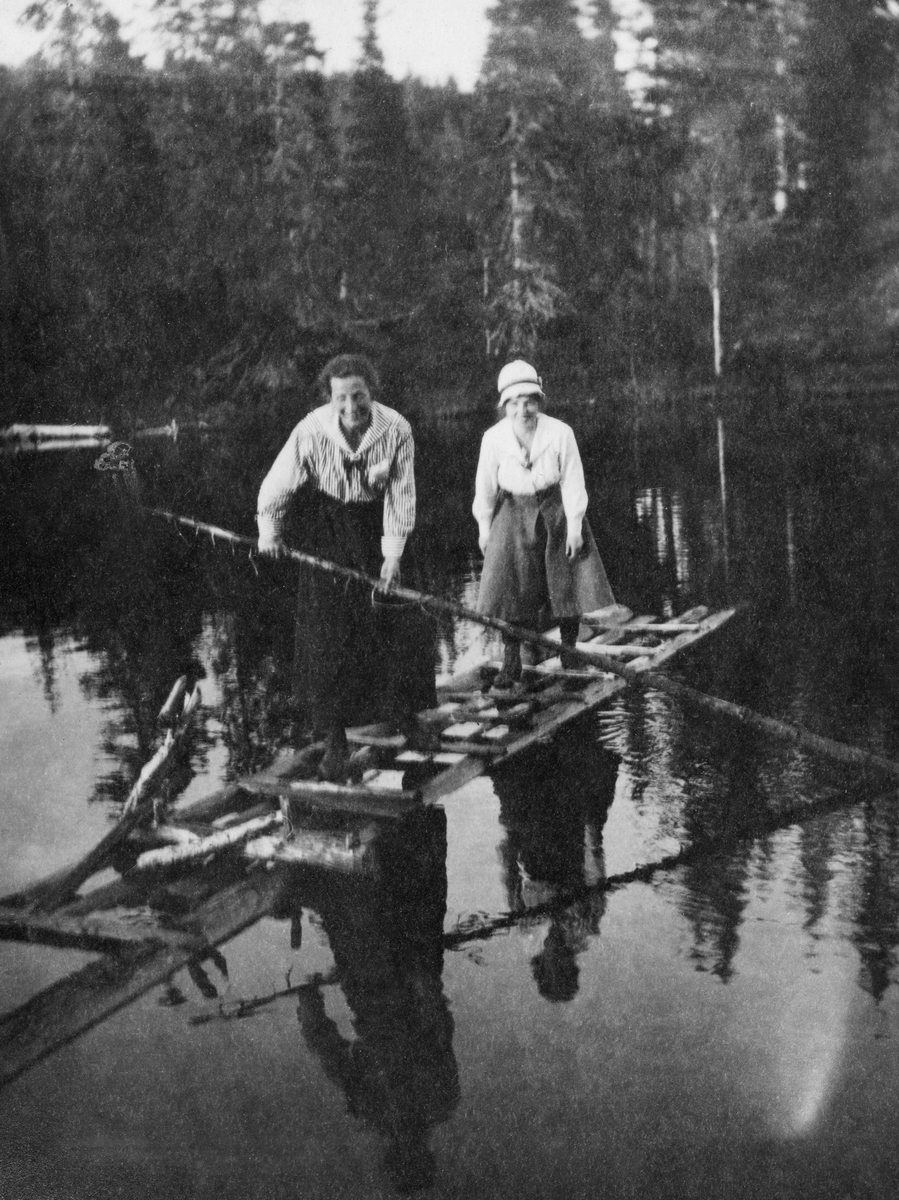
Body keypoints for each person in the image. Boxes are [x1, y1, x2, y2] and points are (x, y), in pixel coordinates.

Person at [256, 353, 434, 779]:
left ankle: (406, 716)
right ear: (329, 398)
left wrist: (392, 556)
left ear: (372, 392)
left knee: (395, 621)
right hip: (328, 531)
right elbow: (277, 486)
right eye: (341, 398)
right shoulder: (310, 431)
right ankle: (334, 737)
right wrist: (270, 531)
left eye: (359, 396)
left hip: (377, 529)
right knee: (328, 634)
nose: (351, 407)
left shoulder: (396, 430)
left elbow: (400, 495)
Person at [473, 359, 618, 688]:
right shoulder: (493, 439)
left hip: (555, 510)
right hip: (512, 512)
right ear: (505, 406)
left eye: (529, 401)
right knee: (509, 588)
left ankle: (569, 650)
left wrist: (576, 526)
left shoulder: (560, 433)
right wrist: (484, 526)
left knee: (565, 580)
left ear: (539, 401)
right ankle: (511, 663)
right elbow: (485, 487)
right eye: (514, 403)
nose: (522, 410)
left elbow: (572, 480)